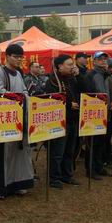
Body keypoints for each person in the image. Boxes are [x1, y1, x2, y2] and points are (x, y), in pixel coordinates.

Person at [0, 44, 34, 198]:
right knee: (3, 153)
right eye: (16, 57)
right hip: (4, 119)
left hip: (19, 117)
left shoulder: (18, 73)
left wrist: (24, 97)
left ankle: (17, 183)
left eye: (20, 57)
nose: (18, 60)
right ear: (7, 56)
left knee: (19, 152)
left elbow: (24, 91)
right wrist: (19, 97)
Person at [44, 55, 81, 188]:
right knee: (57, 152)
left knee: (70, 151)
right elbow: (50, 101)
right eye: (69, 64)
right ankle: (54, 178)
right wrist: (69, 105)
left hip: (73, 119)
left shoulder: (72, 79)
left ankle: (67, 175)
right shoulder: (52, 81)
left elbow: (84, 90)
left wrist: (79, 75)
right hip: (59, 122)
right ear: (60, 66)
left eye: (73, 64)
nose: (72, 67)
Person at [84, 51, 112, 179]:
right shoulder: (91, 75)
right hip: (94, 113)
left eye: (105, 59)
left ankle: (99, 167)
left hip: (105, 112)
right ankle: (91, 170)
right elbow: (90, 93)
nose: (103, 61)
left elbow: (107, 92)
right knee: (92, 143)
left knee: (102, 142)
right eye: (100, 59)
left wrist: (111, 102)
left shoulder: (105, 75)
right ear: (94, 61)